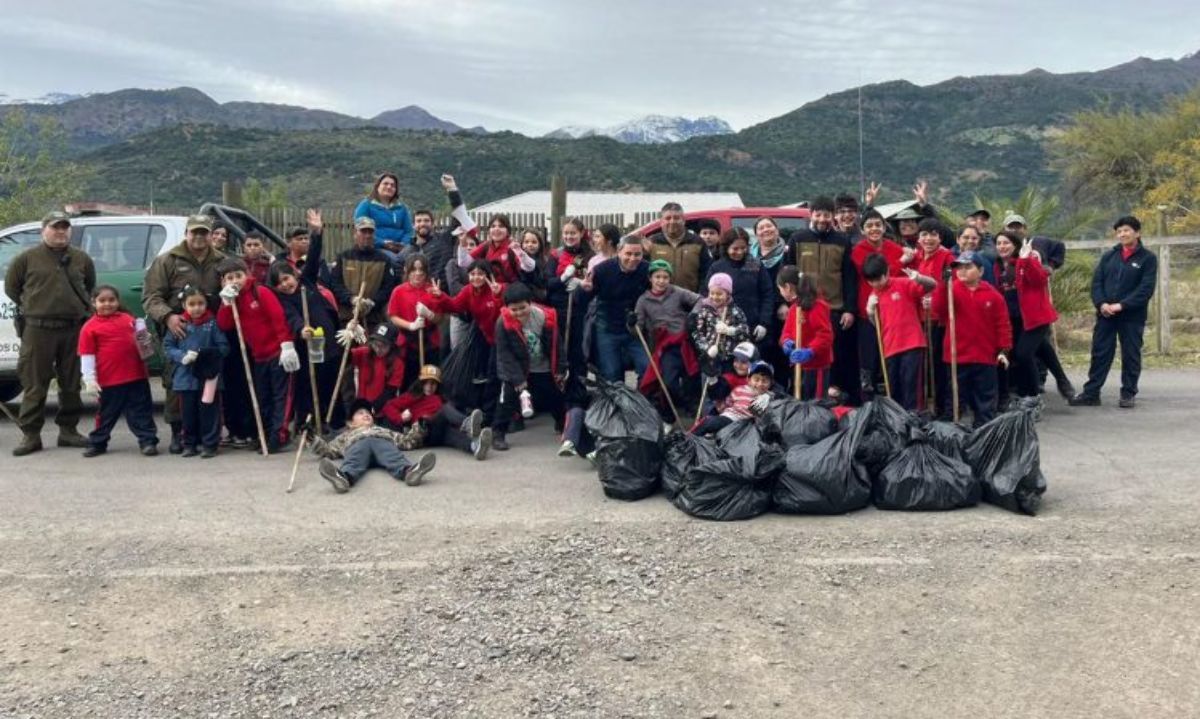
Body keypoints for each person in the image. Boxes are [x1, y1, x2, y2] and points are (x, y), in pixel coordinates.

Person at [5, 211, 96, 455]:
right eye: (55, 227)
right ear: (43, 230)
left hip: (73, 328)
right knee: (35, 384)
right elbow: (13, 289)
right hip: (37, 329)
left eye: (65, 227)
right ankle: (31, 435)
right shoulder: (26, 259)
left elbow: (89, 286)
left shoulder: (82, 259)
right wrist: (37, 306)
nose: (60, 231)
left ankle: (68, 431)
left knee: (71, 383)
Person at [143, 213, 226, 453]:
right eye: (194, 232)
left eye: (204, 232)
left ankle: (207, 433)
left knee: (211, 380)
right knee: (176, 382)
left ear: (211, 235)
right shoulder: (167, 261)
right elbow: (151, 296)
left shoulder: (221, 261)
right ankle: (178, 432)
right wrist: (168, 316)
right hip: (178, 330)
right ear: (186, 233)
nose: (199, 237)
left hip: (211, 330)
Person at [1071, 216, 1158, 409]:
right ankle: (1091, 393)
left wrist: (1122, 305)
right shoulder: (1109, 256)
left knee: (1131, 355)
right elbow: (1097, 283)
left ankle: (1128, 393)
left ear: (1137, 233)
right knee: (1100, 353)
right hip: (1106, 315)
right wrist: (1102, 304)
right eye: (1119, 231)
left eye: (1126, 230)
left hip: (1131, 317)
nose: (1122, 234)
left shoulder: (1148, 258)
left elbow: (1146, 289)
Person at [215, 258, 300, 452]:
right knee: (263, 397)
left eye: (239, 276)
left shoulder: (260, 292)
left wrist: (287, 346)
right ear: (223, 282)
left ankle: (279, 435)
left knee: (281, 396)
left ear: (247, 275)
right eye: (230, 278)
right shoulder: (232, 299)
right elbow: (224, 325)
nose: (235, 281)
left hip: (278, 353)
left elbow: (278, 318)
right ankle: (266, 433)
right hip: (258, 356)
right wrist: (225, 303)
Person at [272, 219, 346, 435]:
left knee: (331, 382)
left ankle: (335, 421)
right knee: (309, 385)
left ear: (294, 275)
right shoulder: (284, 300)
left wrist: (317, 233)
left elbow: (313, 257)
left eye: (287, 278)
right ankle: (309, 424)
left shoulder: (307, 282)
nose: (286, 284)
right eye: (280, 283)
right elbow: (292, 317)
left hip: (329, 343)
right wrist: (300, 329)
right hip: (308, 348)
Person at [786, 196, 857, 402]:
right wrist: (786, 304)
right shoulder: (797, 238)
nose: (823, 219)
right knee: (804, 357)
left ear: (832, 216)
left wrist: (849, 309)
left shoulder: (842, 241)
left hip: (834, 308)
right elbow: (788, 273)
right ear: (811, 214)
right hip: (804, 309)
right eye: (819, 214)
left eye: (827, 214)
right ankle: (801, 399)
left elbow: (849, 277)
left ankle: (831, 399)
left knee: (832, 357)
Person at [931, 251, 1013, 427]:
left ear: (981, 271)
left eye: (968, 267)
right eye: (959, 267)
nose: (962, 271)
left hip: (985, 356)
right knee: (954, 396)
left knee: (985, 397)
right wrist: (943, 285)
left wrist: (1004, 349)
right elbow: (938, 309)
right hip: (956, 355)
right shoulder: (951, 290)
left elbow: (1003, 324)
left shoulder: (993, 295)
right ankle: (951, 432)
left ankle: (984, 431)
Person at [77, 285, 159, 457]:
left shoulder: (129, 319)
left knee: (141, 411)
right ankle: (98, 443)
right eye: (102, 300)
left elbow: (145, 347)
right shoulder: (89, 327)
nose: (107, 304)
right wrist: (89, 379)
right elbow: (87, 355)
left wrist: (145, 339)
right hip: (109, 380)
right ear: (93, 303)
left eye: (111, 300)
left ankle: (148, 441)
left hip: (136, 376)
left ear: (118, 301)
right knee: (107, 414)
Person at [996, 232, 1075, 405]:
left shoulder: (1027, 260)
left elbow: (1039, 280)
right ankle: (1062, 382)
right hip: (1014, 319)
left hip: (1035, 318)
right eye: (999, 243)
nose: (1002, 246)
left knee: (1023, 354)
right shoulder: (997, 265)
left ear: (1016, 245)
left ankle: (1032, 396)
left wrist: (1026, 259)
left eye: (1006, 243)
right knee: (1042, 349)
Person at [492, 283, 563, 451]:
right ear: (506, 308)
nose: (519, 313)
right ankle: (498, 433)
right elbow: (504, 354)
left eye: (522, 308)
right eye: (514, 309)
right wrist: (518, 379)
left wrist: (560, 368)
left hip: (542, 365)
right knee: (506, 401)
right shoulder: (502, 323)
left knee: (555, 397)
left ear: (530, 303)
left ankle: (562, 426)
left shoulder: (545, 317)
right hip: (515, 369)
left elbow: (557, 345)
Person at [311, 399, 437, 494]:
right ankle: (344, 477)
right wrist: (311, 439)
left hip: (381, 444)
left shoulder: (383, 431)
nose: (366, 415)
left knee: (392, 454)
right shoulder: (345, 436)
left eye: (368, 413)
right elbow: (328, 450)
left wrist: (420, 427)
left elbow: (407, 441)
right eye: (360, 413)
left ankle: (409, 471)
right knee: (354, 459)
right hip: (358, 445)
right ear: (350, 423)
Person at [850, 209, 912, 398]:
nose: (874, 229)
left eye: (878, 225)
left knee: (890, 356)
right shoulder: (858, 251)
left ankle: (893, 397)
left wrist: (905, 259)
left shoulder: (894, 247)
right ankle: (868, 398)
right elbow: (876, 274)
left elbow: (902, 277)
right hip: (867, 310)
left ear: (884, 227)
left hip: (893, 311)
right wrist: (901, 261)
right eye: (869, 226)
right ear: (862, 229)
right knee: (869, 357)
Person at [862, 256, 936, 411]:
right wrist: (869, 312)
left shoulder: (903, 283)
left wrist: (919, 278)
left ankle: (915, 419)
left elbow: (932, 285)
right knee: (893, 389)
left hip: (912, 343)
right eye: (871, 281)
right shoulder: (873, 296)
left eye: (878, 279)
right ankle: (898, 422)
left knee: (911, 387)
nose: (875, 283)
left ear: (887, 272)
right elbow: (877, 325)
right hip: (889, 347)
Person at [163, 285, 229, 457]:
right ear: (184, 306)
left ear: (206, 304)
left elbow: (223, 347)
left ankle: (209, 444)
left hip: (208, 377)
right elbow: (168, 347)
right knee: (188, 413)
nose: (196, 308)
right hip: (185, 378)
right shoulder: (179, 325)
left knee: (209, 410)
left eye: (200, 303)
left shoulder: (212, 324)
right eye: (192, 304)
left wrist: (205, 355)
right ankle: (189, 444)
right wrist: (181, 356)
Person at [635, 259, 701, 421]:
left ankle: (693, 409)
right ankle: (673, 408)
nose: (661, 281)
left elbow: (700, 300)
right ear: (651, 278)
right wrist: (632, 323)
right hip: (665, 346)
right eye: (657, 277)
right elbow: (637, 328)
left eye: (665, 277)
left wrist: (693, 315)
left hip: (685, 341)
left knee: (692, 378)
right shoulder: (643, 300)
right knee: (668, 382)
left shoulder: (677, 292)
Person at [380, 365, 493, 460]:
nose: (429, 387)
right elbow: (388, 406)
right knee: (445, 410)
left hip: (437, 433)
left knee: (451, 434)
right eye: (426, 383)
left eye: (433, 383)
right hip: (424, 430)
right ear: (421, 383)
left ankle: (474, 447)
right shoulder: (413, 395)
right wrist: (400, 418)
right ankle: (467, 424)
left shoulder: (441, 398)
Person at [582, 236, 650, 382]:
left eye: (637, 254)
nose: (633, 258)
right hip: (607, 327)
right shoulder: (602, 270)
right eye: (628, 254)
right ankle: (615, 402)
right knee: (612, 372)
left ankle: (641, 401)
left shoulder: (646, 269)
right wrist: (585, 290)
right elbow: (581, 300)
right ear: (619, 252)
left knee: (647, 367)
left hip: (634, 329)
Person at [704, 228, 774, 352]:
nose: (740, 252)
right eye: (735, 249)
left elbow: (767, 294)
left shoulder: (754, 264)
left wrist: (764, 323)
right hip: (725, 326)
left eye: (743, 248)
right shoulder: (717, 267)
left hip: (752, 325)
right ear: (726, 247)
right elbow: (707, 295)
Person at [544, 218, 594, 379]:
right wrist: (564, 278)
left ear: (581, 234)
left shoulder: (590, 256)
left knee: (578, 351)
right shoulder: (555, 255)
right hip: (559, 309)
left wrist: (580, 283)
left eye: (573, 233)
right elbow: (548, 283)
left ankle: (577, 389)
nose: (569, 236)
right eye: (566, 233)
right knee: (559, 349)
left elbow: (595, 283)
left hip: (581, 309)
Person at [778, 266, 834, 401]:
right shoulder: (793, 309)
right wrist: (786, 342)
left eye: (780, 289)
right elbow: (786, 332)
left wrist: (810, 351)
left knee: (817, 403)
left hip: (817, 366)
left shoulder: (817, 306)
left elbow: (825, 335)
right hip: (799, 366)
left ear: (787, 287)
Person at [329, 216, 398, 327]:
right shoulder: (343, 257)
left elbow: (388, 287)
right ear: (355, 233)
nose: (367, 235)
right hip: (347, 317)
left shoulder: (384, 260)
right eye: (363, 231)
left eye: (370, 232)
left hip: (374, 318)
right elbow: (335, 284)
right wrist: (351, 299)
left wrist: (372, 302)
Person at [388, 254, 444, 388]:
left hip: (430, 342)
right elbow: (393, 316)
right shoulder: (399, 291)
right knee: (409, 380)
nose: (418, 274)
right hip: (407, 343)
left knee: (431, 380)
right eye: (414, 270)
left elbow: (440, 317)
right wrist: (411, 325)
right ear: (407, 271)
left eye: (421, 270)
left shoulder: (433, 290)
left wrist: (429, 315)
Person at [405, 174, 469, 289]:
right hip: (418, 297)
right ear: (413, 225)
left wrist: (452, 190)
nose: (422, 223)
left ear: (433, 224)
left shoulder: (444, 240)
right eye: (419, 221)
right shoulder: (407, 251)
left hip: (443, 295)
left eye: (426, 220)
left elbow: (459, 218)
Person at [691, 272, 750, 378]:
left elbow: (745, 331)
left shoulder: (735, 311)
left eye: (719, 294)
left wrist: (730, 330)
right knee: (710, 385)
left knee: (726, 385)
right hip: (710, 359)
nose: (715, 297)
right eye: (712, 293)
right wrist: (708, 348)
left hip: (729, 359)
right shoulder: (704, 311)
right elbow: (697, 334)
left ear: (728, 294)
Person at [691, 361, 773, 436]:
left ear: (770, 384)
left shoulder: (768, 397)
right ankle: (688, 440)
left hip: (744, 425)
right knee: (708, 423)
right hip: (729, 418)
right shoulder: (739, 390)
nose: (760, 384)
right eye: (756, 380)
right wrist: (719, 406)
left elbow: (758, 417)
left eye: (764, 381)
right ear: (749, 380)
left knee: (711, 424)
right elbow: (725, 405)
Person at [646, 202, 710, 293]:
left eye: (676, 218)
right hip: (659, 301)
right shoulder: (652, 243)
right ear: (661, 221)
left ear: (683, 220)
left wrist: (700, 296)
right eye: (668, 218)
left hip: (690, 300)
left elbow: (706, 273)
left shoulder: (697, 242)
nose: (672, 221)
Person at [354, 172, 413, 263]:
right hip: (377, 247)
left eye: (393, 185)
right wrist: (383, 243)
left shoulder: (402, 208)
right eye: (385, 184)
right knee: (394, 260)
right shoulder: (366, 205)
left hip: (401, 248)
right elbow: (361, 230)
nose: (389, 187)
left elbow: (408, 231)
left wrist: (403, 244)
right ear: (377, 186)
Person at [460, 214, 534, 285]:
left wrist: (520, 252)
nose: (496, 229)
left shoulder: (513, 247)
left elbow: (529, 267)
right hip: (488, 292)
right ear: (489, 230)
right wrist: (462, 243)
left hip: (508, 293)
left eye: (501, 226)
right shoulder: (485, 246)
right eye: (493, 226)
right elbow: (464, 263)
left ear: (508, 231)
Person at [349, 324, 406, 409]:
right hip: (362, 405)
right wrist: (349, 335)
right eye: (375, 344)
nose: (378, 349)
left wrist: (372, 408)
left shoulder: (397, 363)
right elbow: (345, 357)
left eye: (383, 346)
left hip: (382, 408)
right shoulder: (364, 353)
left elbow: (390, 391)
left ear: (392, 346)